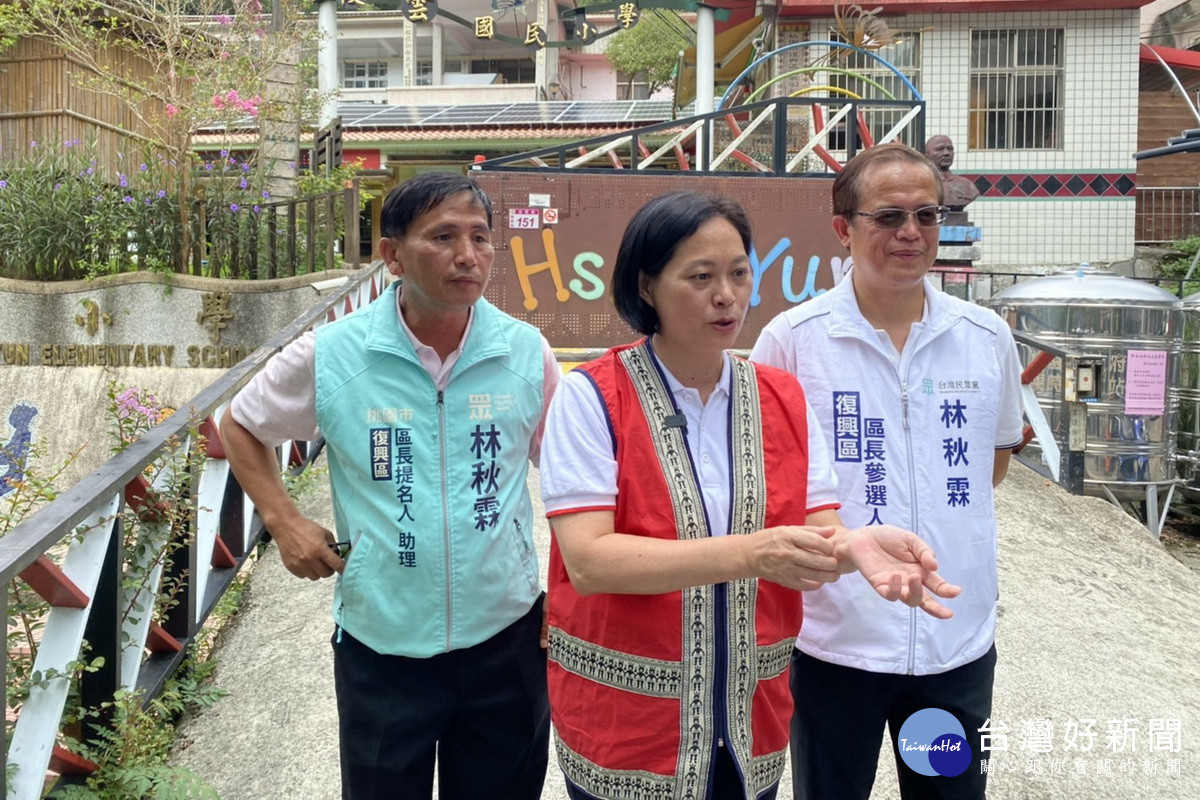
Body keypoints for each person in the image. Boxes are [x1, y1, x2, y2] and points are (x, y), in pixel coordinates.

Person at [539, 190, 964, 800]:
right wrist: (753, 553)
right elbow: (589, 560)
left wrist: (856, 546)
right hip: (628, 728)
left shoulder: (781, 397)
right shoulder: (592, 397)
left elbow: (818, 532)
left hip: (749, 724)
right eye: (701, 276)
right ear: (647, 286)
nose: (726, 295)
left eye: (739, 273)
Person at [219, 172, 557, 800]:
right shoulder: (333, 355)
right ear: (393, 254)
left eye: (481, 238)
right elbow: (237, 424)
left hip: (506, 639)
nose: (467, 255)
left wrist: (567, 589)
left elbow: (569, 482)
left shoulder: (525, 353)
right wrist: (285, 521)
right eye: (444, 237)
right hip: (382, 645)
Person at [750, 142, 1023, 800]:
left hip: (954, 645)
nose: (910, 233)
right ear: (844, 228)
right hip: (835, 642)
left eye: (927, 216)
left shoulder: (986, 338)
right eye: (889, 217)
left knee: (949, 792)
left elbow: (993, 460)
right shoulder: (792, 341)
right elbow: (767, 480)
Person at [925, 135, 979, 210]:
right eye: (940, 149)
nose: (946, 153)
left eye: (950, 149)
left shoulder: (967, 184)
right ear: (927, 155)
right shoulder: (923, 184)